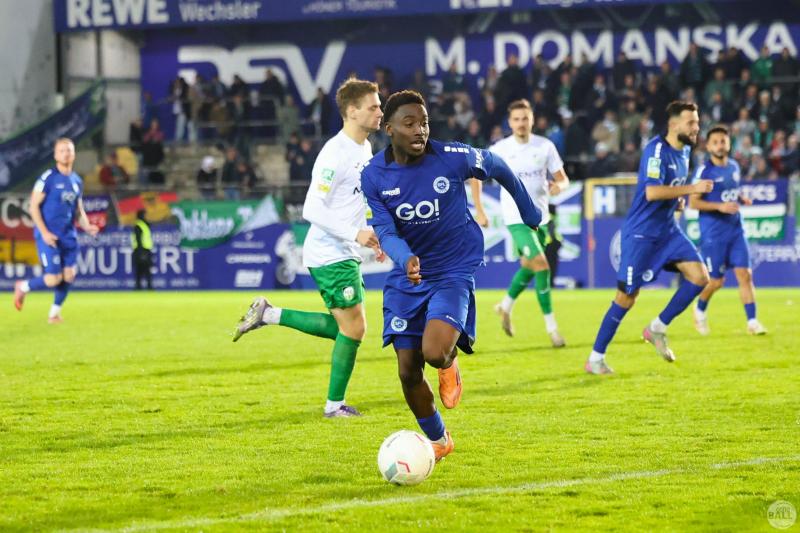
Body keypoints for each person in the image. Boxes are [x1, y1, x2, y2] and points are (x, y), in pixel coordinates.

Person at [361, 90, 541, 461]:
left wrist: (529, 211)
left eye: (424, 122)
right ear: (389, 129)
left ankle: (448, 361)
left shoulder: (451, 156)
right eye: (410, 123)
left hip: (452, 270)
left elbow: (498, 165)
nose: (420, 130)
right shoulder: (373, 175)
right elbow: (386, 230)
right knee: (407, 371)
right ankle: (440, 440)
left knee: (434, 352)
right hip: (408, 275)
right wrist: (405, 257)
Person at [232, 79, 385, 419]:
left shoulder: (364, 148)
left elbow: (353, 202)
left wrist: (373, 235)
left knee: (348, 328)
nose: (380, 111)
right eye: (373, 106)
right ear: (352, 111)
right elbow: (312, 209)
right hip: (330, 252)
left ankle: (268, 314)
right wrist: (355, 234)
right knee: (354, 329)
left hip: (344, 249)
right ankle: (334, 406)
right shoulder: (335, 153)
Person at [585, 101, 713, 375]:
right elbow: (652, 192)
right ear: (674, 124)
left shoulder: (685, 151)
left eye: (697, 122)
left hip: (668, 230)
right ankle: (595, 358)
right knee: (626, 297)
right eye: (691, 122)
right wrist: (692, 189)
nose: (696, 127)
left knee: (701, 277)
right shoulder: (656, 150)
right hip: (641, 234)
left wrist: (678, 199)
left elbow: (670, 189)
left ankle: (657, 327)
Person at [471, 99, 569, 346]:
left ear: (532, 120)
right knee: (543, 267)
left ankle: (505, 306)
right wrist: (479, 210)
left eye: (525, 118)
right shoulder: (501, 149)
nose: (521, 123)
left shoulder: (545, 146)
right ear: (510, 122)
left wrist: (559, 186)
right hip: (516, 219)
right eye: (516, 119)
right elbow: (475, 176)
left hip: (542, 219)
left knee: (529, 267)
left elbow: (563, 178)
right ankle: (553, 330)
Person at [690, 126, 767, 336]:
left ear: (729, 144)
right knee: (716, 281)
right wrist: (719, 207)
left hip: (735, 230)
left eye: (723, 141)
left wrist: (741, 198)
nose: (720, 145)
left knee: (745, 274)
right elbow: (693, 203)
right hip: (713, 234)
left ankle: (752, 322)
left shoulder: (734, 166)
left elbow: (730, 190)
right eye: (715, 142)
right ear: (708, 146)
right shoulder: (704, 172)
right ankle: (699, 310)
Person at [14, 138, 100, 322]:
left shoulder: (76, 181)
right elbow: (33, 207)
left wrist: (87, 226)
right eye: (62, 150)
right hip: (48, 236)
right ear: (55, 155)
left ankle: (54, 314)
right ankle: (23, 286)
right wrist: (44, 233)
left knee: (69, 275)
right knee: (53, 278)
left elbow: (78, 210)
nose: (66, 154)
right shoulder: (48, 178)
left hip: (68, 236)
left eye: (69, 150)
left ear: (74, 154)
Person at [131, 209, 153, 290]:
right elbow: (138, 239)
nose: (146, 216)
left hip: (143, 250)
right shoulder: (139, 225)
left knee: (143, 270)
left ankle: (143, 287)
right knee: (141, 270)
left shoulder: (143, 225)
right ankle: (140, 287)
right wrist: (141, 252)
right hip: (141, 250)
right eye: (145, 215)